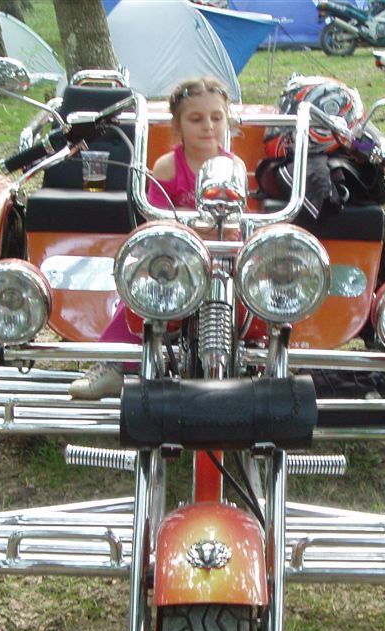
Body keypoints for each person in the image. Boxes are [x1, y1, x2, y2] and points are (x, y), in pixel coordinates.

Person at [70, 76, 246, 399]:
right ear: (177, 126)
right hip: (177, 258)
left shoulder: (233, 166)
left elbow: (238, 222)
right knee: (141, 287)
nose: (208, 126)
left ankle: (269, 355)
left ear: (227, 121)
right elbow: (156, 220)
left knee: (260, 283)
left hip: (223, 256)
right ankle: (115, 363)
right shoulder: (168, 166)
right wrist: (197, 230)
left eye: (216, 117)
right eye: (196, 119)